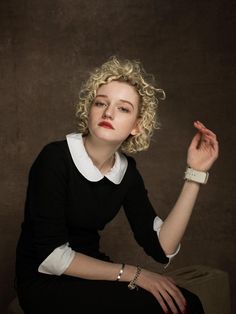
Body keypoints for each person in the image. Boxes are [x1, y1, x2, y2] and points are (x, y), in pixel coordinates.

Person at [15, 56, 219, 314]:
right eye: (101, 103)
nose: (108, 113)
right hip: (44, 281)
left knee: (186, 305)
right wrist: (134, 274)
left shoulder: (127, 172)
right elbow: (52, 258)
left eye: (123, 108)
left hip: (94, 272)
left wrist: (195, 174)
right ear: (89, 110)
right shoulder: (54, 159)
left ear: (136, 126)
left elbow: (162, 247)